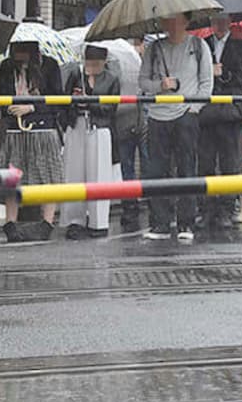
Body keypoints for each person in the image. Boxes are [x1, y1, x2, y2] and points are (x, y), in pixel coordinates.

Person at [140, 13, 213, 242]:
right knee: (156, 171)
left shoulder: (198, 46)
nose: (169, 23)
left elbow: (206, 82)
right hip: (157, 115)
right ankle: (160, 222)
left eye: (175, 18)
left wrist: (194, 108)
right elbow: (143, 83)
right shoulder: (153, 49)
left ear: (186, 21)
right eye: (166, 19)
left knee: (187, 168)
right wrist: (160, 85)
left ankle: (186, 222)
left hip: (185, 115)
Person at [0, 40, 64, 242]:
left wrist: (32, 107)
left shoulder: (49, 66)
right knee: (12, 176)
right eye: (17, 50)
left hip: (43, 128)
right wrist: (10, 108)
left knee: (47, 174)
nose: (20, 55)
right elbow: (0, 95)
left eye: (24, 50)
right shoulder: (7, 67)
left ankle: (47, 222)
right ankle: (10, 222)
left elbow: (57, 100)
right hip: (14, 128)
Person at [58, 45, 120, 239]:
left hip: (99, 128)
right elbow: (65, 101)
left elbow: (110, 108)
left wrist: (90, 101)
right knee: (74, 173)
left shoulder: (111, 80)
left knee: (99, 175)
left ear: (103, 63)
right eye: (88, 63)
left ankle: (98, 222)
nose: (91, 67)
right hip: (77, 125)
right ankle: (74, 220)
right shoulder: (76, 75)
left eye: (96, 64)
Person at [198, 15, 242, 224]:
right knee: (206, 161)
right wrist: (210, 73)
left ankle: (228, 207)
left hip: (231, 111)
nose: (218, 25)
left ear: (229, 22)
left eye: (222, 21)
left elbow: (241, 76)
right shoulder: (204, 44)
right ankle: (207, 208)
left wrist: (222, 74)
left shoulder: (240, 45)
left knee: (231, 162)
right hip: (208, 110)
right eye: (215, 21)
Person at [114, 37, 149, 232]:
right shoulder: (131, 61)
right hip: (134, 121)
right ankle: (135, 204)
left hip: (130, 121)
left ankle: (132, 205)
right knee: (133, 165)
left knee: (131, 166)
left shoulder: (119, 60)